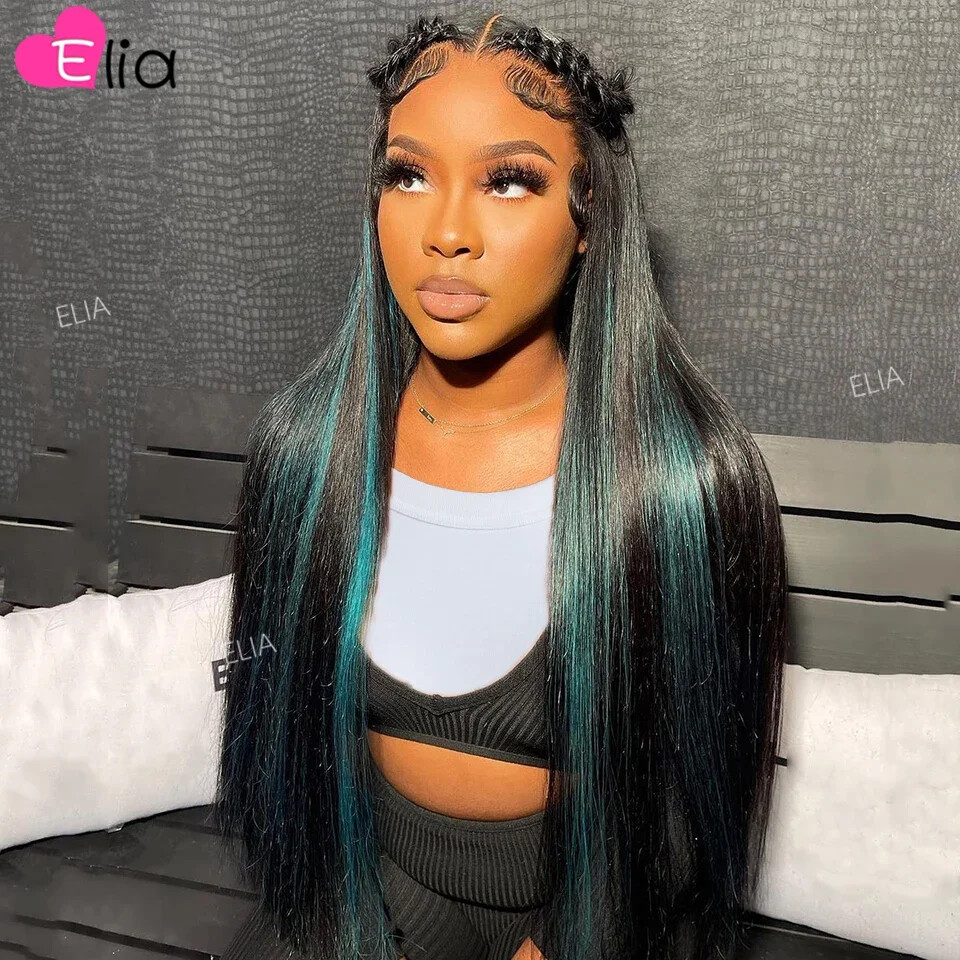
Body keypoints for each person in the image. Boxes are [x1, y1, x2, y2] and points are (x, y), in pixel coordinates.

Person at [2, 12, 788, 960]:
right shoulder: (308, 455)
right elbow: (286, 747)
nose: (445, 233)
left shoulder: (681, 481)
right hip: (370, 884)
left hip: (598, 908)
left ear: (590, 217)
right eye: (408, 176)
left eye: (509, 180)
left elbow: (690, 799)